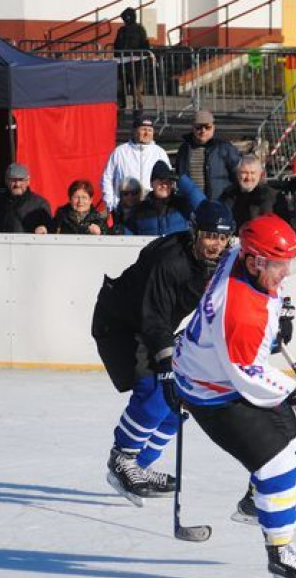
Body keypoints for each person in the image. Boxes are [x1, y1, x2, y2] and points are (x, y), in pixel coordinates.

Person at [172, 213, 296, 578]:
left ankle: (254, 503)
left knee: (292, 440)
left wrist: (281, 306)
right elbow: (246, 374)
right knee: (277, 461)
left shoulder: (242, 256)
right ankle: (281, 556)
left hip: (220, 367)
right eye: (278, 267)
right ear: (254, 262)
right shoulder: (240, 313)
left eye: (288, 266)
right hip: (210, 390)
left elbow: (266, 279)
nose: (285, 275)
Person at [91, 200, 236, 507]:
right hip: (121, 324)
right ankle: (122, 460)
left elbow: (249, 280)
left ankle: (140, 465)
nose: (216, 244)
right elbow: (153, 317)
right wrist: (167, 358)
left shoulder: (223, 260)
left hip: (156, 324)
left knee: (179, 400)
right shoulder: (169, 261)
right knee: (156, 389)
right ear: (194, 232)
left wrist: (281, 312)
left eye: (223, 238)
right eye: (210, 236)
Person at [101, 111, 171, 213]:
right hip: (125, 206)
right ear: (135, 131)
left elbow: (167, 179)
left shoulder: (160, 152)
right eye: (143, 129)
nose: (147, 133)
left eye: (150, 130)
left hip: (151, 206)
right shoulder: (120, 152)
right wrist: (111, 203)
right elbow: (107, 178)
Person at [174, 110, 241, 202]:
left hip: (219, 202)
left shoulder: (225, 148)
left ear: (213, 128)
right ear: (193, 128)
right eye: (198, 128)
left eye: (207, 127)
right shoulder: (184, 149)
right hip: (191, 202)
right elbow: (180, 176)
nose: (203, 131)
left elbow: (238, 174)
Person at [124, 162, 205, 237]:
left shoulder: (181, 204)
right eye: (160, 182)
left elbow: (204, 206)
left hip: (177, 251)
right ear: (152, 184)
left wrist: (182, 179)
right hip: (151, 251)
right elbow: (128, 236)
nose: (164, 186)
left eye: (167, 182)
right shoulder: (140, 210)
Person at [219, 154, 292, 229]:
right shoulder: (228, 195)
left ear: (260, 175)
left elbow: (285, 227)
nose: (248, 177)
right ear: (237, 174)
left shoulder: (273, 197)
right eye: (244, 172)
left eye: (252, 173)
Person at [0, 163, 51, 234]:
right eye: (13, 180)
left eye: (21, 180)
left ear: (28, 181)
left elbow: (52, 231)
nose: (17, 184)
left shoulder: (40, 204)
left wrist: (44, 228)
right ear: (6, 181)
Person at [113, 7, 151, 109]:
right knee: (121, 87)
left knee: (135, 89)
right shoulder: (122, 30)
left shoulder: (139, 29)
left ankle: (137, 109)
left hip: (136, 64)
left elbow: (144, 45)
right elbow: (116, 45)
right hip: (123, 63)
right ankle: (122, 108)